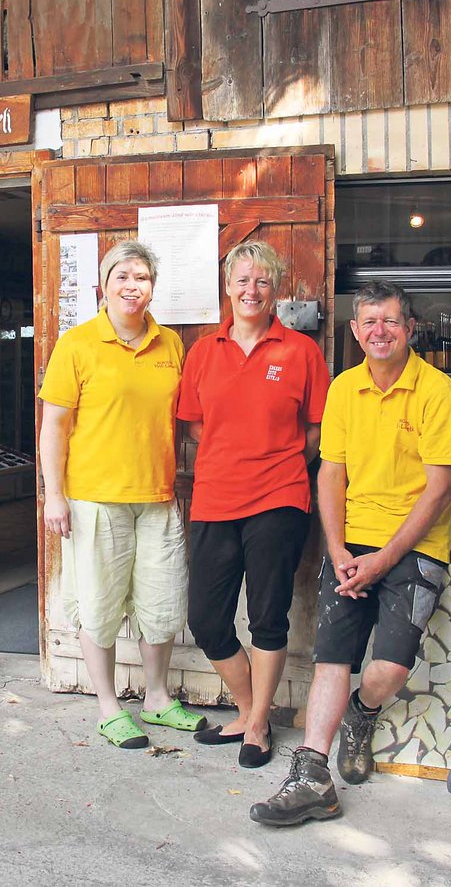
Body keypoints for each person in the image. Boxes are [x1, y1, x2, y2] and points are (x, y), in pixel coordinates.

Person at [250, 279, 451, 825]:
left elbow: (440, 488)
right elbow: (331, 472)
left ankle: (361, 715)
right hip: (352, 546)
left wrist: (384, 557)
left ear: (409, 328)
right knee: (333, 658)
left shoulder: (438, 392)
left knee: (388, 670)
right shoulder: (344, 388)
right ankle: (310, 775)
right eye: (369, 321)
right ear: (354, 330)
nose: (379, 331)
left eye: (390, 321)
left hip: (414, 548)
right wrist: (339, 547)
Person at [38, 240, 206, 749]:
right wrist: (54, 496)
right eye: (123, 277)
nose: (134, 287)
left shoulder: (170, 345)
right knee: (100, 603)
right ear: (103, 286)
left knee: (161, 602)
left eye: (143, 278)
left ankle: (156, 698)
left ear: (153, 287)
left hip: (156, 496)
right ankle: (109, 706)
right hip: (93, 497)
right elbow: (54, 427)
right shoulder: (77, 344)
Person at [177, 241, 329, 768]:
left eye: (262, 282)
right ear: (227, 286)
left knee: (268, 616)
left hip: (279, 497)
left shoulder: (301, 352)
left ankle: (257, 724)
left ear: (277, 289)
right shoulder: (203, 351)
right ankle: (247, 709)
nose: (251, 290)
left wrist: (274, 459)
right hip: (215, 497)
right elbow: (196, 424)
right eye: (242, 280)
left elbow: (314, 430)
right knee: (207, 619)